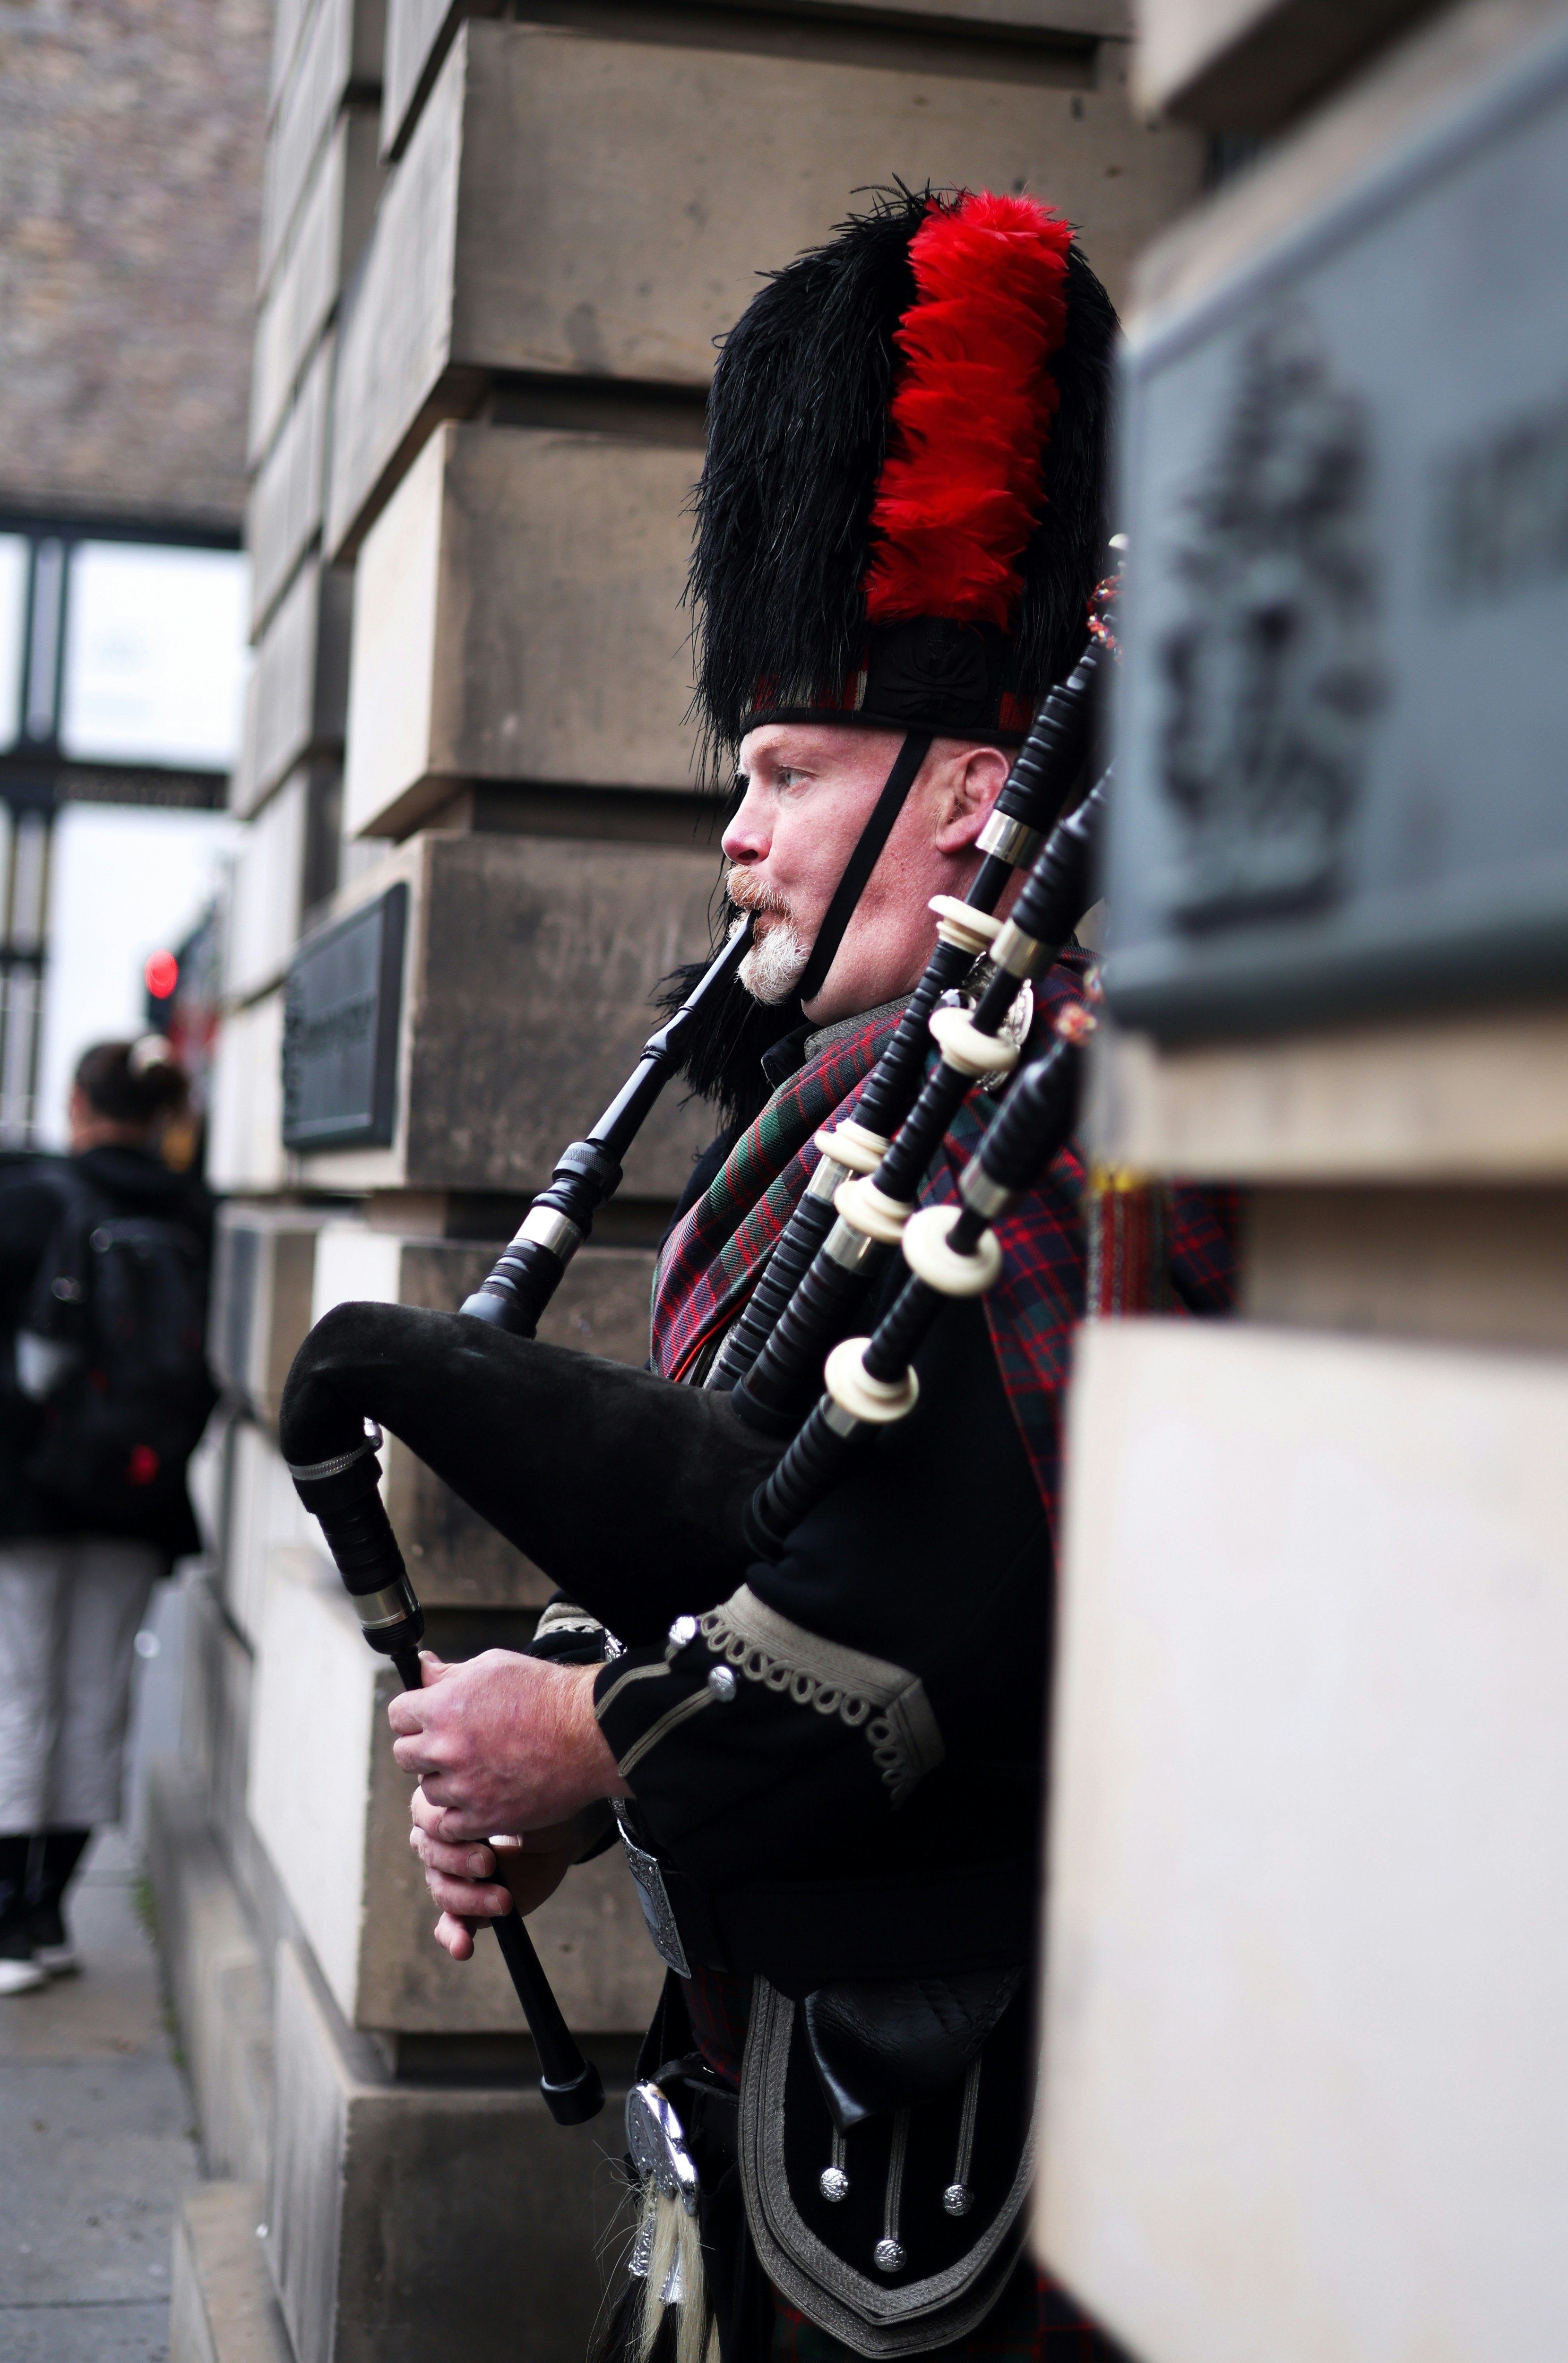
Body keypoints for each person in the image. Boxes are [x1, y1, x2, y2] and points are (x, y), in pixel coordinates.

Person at [332, 189, 1234, 2357]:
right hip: (797, 2078)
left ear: (964, 803)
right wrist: (565, 1757)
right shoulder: (875, 1086)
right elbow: (737, 1510)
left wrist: (584, 1737)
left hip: (989, 2119)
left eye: (783, 770)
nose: (731, 826)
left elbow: (956, 1646)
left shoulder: (1067, 1132)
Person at [0, 1038, 214, 1994]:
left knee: (19, 1691)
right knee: (97, 1694)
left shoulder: (30, 1198)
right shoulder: (199, 1211)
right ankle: (47, 1913)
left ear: (79, 1105)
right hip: (138, 1490)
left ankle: (5, 1915)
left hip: (27, 1491)